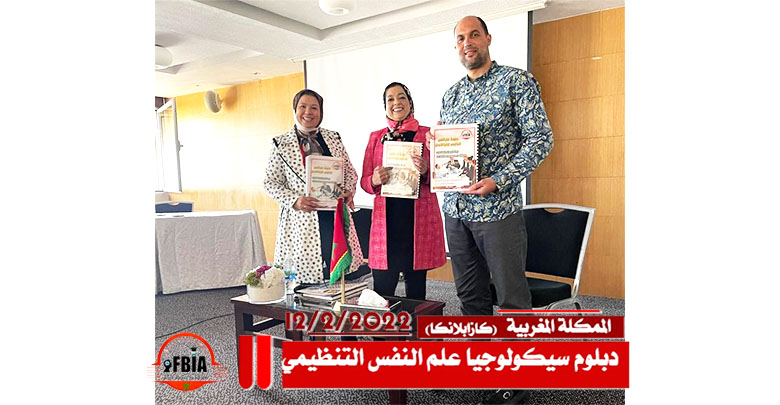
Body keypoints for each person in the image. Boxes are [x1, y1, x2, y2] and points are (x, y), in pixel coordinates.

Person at [429, 16, 553, 404]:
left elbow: (540, 140)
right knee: (471, 299)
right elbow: (449, 149)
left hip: (498, 211)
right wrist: (437, 145)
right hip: (456, 210)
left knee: (513, 300)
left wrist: (499, 179)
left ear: (487, 39)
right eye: (460, 38)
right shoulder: (451, 95)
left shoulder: (517, 81)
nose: (467, 42)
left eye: (474, 35)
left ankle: (517, 384)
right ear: (456, 46)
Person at [264, 89, 363, 284]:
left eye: (314, 108)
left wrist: (348, 190)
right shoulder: (280, 143)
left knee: (340, 275)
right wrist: (295, 200)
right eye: (303, 106)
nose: (308, 112)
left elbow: (349, 172)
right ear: (295, 109)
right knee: (304, 280)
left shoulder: (333, 138)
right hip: (302, 220)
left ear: (321, 112)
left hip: (333, 216)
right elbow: (270, 182)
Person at [361, 82, 446, 300]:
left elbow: (444, 175)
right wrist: (374, 180)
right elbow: (364, 182)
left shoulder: (428, 134)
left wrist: (426, 170)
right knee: (382, 291)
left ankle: (416, 322)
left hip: (417, 220)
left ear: (410, 102)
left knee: (416, 291)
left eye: (401, 97)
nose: (396, 102)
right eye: (390, 99)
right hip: (386, 223)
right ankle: (384, 324)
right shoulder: (375, 137)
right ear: (385, 105)